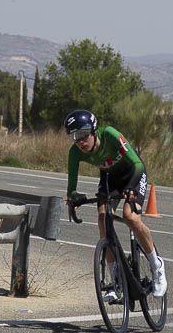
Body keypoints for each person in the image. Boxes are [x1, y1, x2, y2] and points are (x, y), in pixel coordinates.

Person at [64, 108, 166, 299]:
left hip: (133, 173)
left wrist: (132, 190)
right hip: (110, 178)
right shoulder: (75, 153)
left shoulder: (110, 134)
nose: (80, 141)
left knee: (130, 216)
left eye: (84, 135)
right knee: (103, 219)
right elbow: (71, 186)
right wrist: (74, 198)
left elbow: (138, 164)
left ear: (94, 131)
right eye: (75, 136)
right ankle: (116, 280)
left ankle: (157, 266)